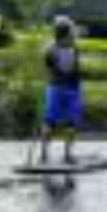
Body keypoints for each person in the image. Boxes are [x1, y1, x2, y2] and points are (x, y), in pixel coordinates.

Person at [39, 15, 83, 164]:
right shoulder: (57, 49)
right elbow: (65, 68)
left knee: (67, 122)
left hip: (62, 88)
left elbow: (49, 67)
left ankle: (65, 154)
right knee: (51, 122)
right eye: (71, 32)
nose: (73, 35)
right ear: (65, 34)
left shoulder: (53, 48)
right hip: (61, 88)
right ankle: (47, 154)